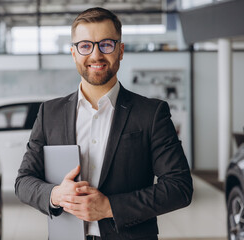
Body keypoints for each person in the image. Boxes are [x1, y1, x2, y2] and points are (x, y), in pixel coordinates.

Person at [15, 7, 193, 240]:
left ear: (120, 50)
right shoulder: (50, 112)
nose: (96, 55)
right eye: (85, 45)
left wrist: (110, 207)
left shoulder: (151, 113)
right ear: (73, 53)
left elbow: (179, 187)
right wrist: (56, 194)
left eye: (106, 44)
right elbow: (23, 181)